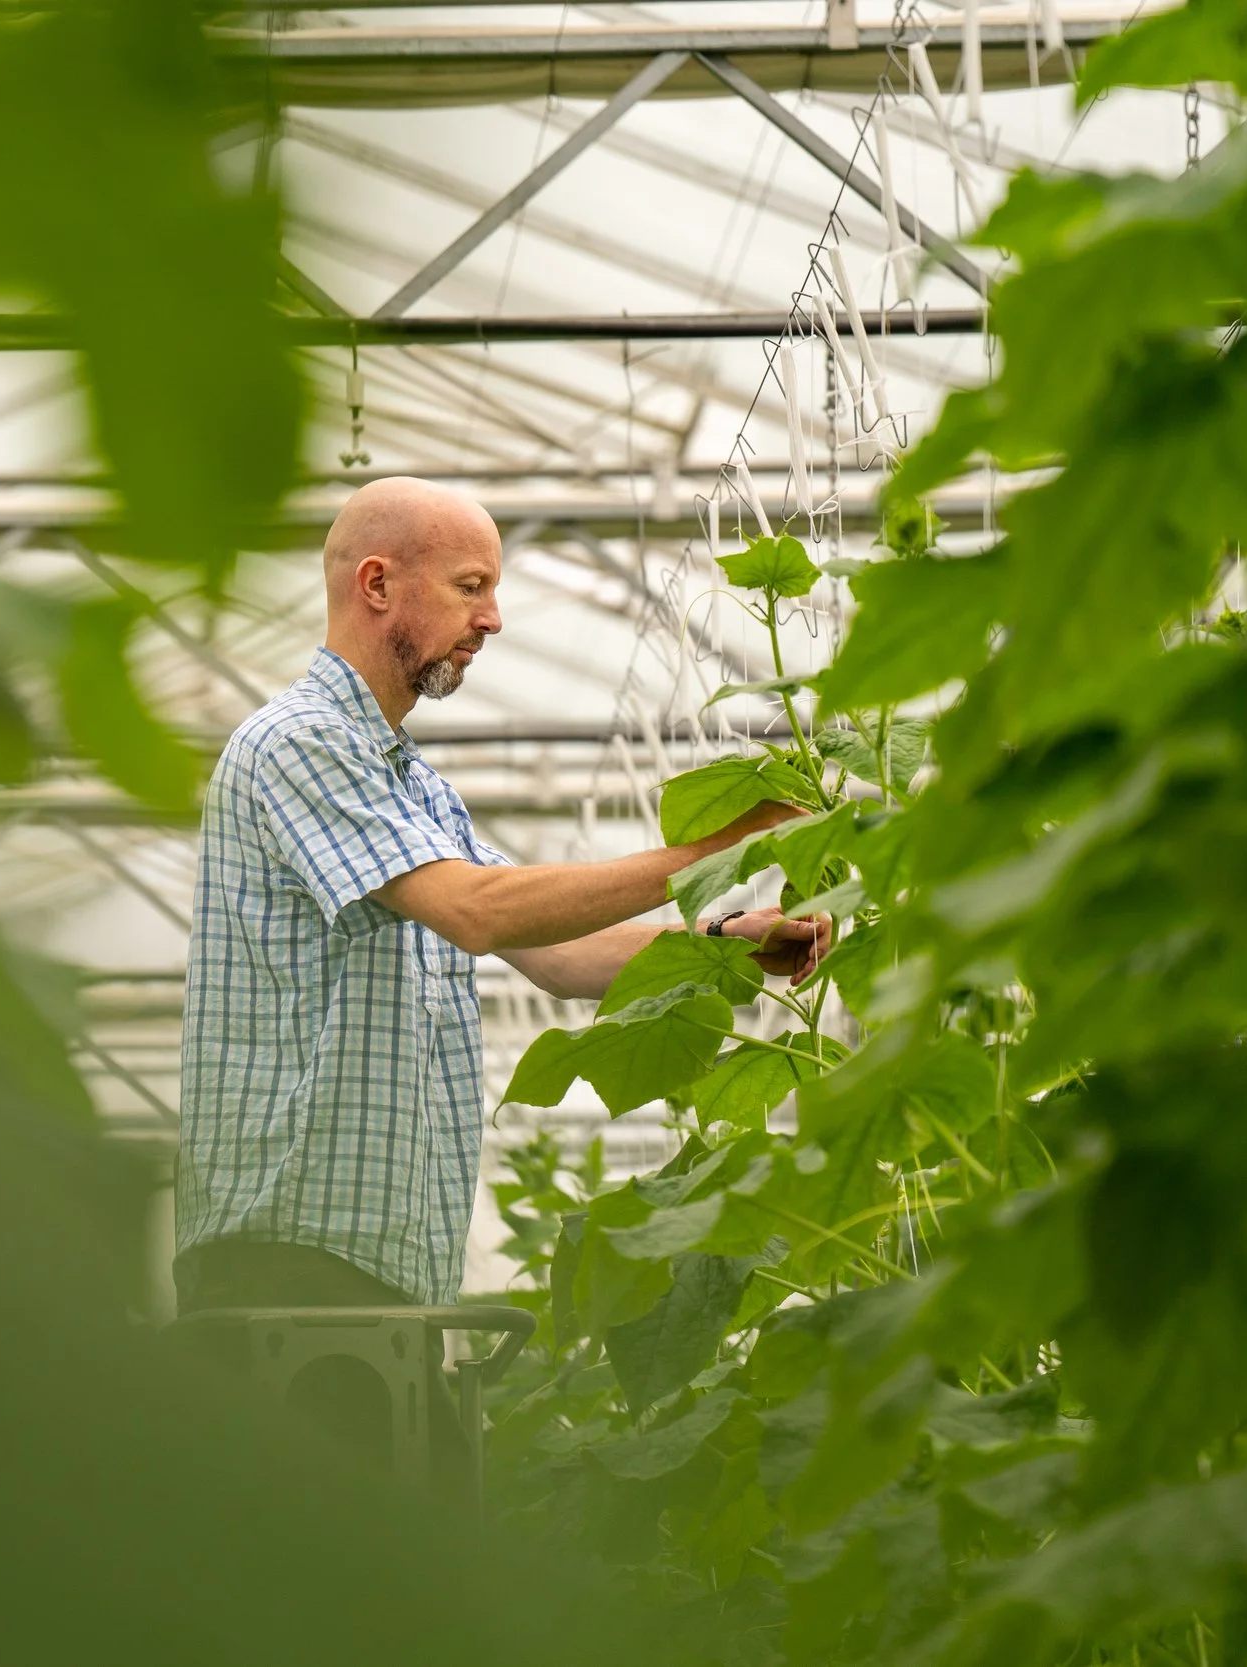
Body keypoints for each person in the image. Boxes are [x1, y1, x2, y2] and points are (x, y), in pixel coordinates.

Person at [174, 477, 827, 1318]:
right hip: (287, 1262)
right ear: (377, 585)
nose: (493, 619)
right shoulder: (298, 742)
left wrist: (730, 938)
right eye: (470, 586)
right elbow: (479, 912)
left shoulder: (417, 789)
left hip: (375, 1264)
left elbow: (557, 956)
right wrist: (711, 846)